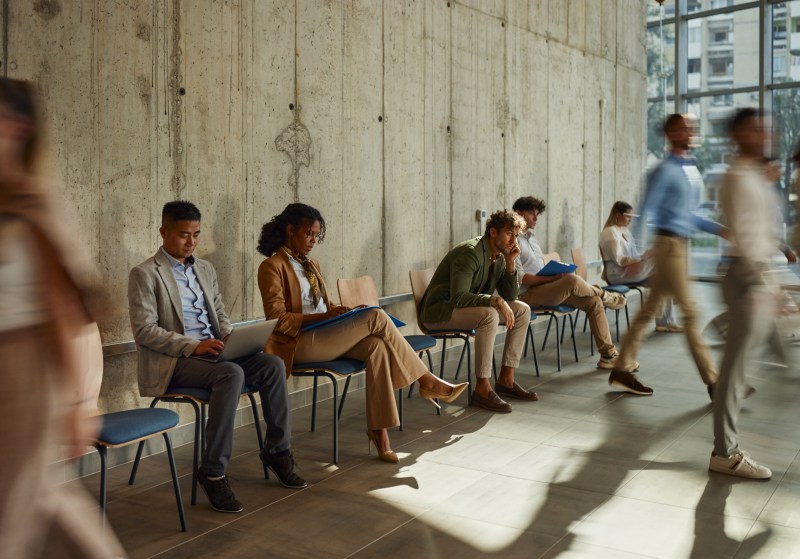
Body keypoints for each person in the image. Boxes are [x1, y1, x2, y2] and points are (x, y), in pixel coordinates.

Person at [0, 78, 152, 559]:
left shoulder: (33, 202)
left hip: (25, 367)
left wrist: (78, 399)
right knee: (33, 488)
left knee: (9, 514)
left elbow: (72, 308)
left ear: (17, 128)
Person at [129, 200, 307, 515]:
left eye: (196, 235)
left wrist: (228, 336)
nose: (191, 242)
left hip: (216, 353)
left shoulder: (205, 269)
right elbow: (145, 331)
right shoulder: (145, 274)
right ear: (163, 232)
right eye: (184, 235)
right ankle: (213, 471)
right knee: (231, 374)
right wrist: (193, 346)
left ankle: (278, 452)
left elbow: (220, 314)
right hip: (176, 362)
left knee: (272, 364)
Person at [257, 203, 468, 463]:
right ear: (290, 230)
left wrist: (339, 311)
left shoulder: (311, 264)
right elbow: (277, 320)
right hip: (298, 344)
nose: (313, 240)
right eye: (308, 234)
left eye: (316, 235)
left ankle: (380, 433)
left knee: (376, 346)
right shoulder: (271, 266)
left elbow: (322, 305)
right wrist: (326, 316)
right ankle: (426, 381)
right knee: (376, 315)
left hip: (324, 335)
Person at [608, 113, 725, 396]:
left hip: (680, 246)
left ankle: (622, 369)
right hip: (668, 245)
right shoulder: (663, 169)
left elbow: (692, 216)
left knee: (649, 310)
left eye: (692, 126)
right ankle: (715, 381)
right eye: (684, 127)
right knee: (690, 311)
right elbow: (644, 210)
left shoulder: (688, 169)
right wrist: (636, 256)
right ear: (671, 133)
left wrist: (722, 230)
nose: (691, 130)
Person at [710, 108, 783, 479]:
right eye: (757, 129)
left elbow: (764, 226)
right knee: (735, 373)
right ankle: (725, 453)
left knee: (743, 366)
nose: (765, 133)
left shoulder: (755, 176)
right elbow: (745, 231)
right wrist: (760, 281)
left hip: (754, 276)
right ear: (739, 135)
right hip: (745, 276)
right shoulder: (737, 177)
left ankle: (722, 326)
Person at [419, 209, 535, 413]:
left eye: (516, 235)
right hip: (440, 312)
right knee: (489, 314)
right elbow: (458, 297)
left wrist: (510, 264)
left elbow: (511, 297)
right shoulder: (470, 252)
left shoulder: (500, 256)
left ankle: (506, 380)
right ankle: (482, 389)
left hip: (463, 310)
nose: (513, 240)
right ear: (493, 233)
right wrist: (495, 300)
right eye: (509, 233)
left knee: (522, 310)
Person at [514, 196, 627, 369]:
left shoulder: (532, 239)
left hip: (544, 289)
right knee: (572, 279)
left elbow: (538, 269)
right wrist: (553, 278)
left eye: (537, 214)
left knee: (593, 302)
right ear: (519, 213)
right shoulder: (512, 240)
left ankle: (608, 355)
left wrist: (553, 273)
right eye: (531, 214)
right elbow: (522, 278)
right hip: (526, 296)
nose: (536, 218)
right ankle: (604, 294)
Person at [600, 200, 681, 332]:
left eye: (632, 217)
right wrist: (643, 258)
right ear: (618, 215)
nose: (630, 220)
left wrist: (643, 256)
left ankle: (664, 322)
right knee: (661, 261)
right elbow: (619, 260)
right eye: (628, 216)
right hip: (618, 274)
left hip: (629, 269)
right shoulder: (609, 233)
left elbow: (633, 255)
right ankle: (678, 293)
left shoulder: (625, 231)